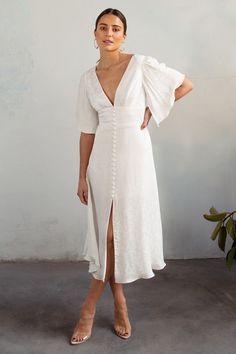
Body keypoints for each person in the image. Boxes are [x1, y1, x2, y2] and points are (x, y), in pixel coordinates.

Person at [71, 8, 193, 345]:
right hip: (99, 165)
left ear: (124, 35)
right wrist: (81, 176)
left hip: (135, 160)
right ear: (93, 34)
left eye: (115, 28)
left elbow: (184, 84)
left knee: (116, 237)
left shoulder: (140, 65)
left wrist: (153, 108)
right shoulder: (87, 78)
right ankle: (121, 302)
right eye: (103, 28)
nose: (108, 33)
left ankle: (90, 307)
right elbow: (86, 131)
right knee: (108, 238)